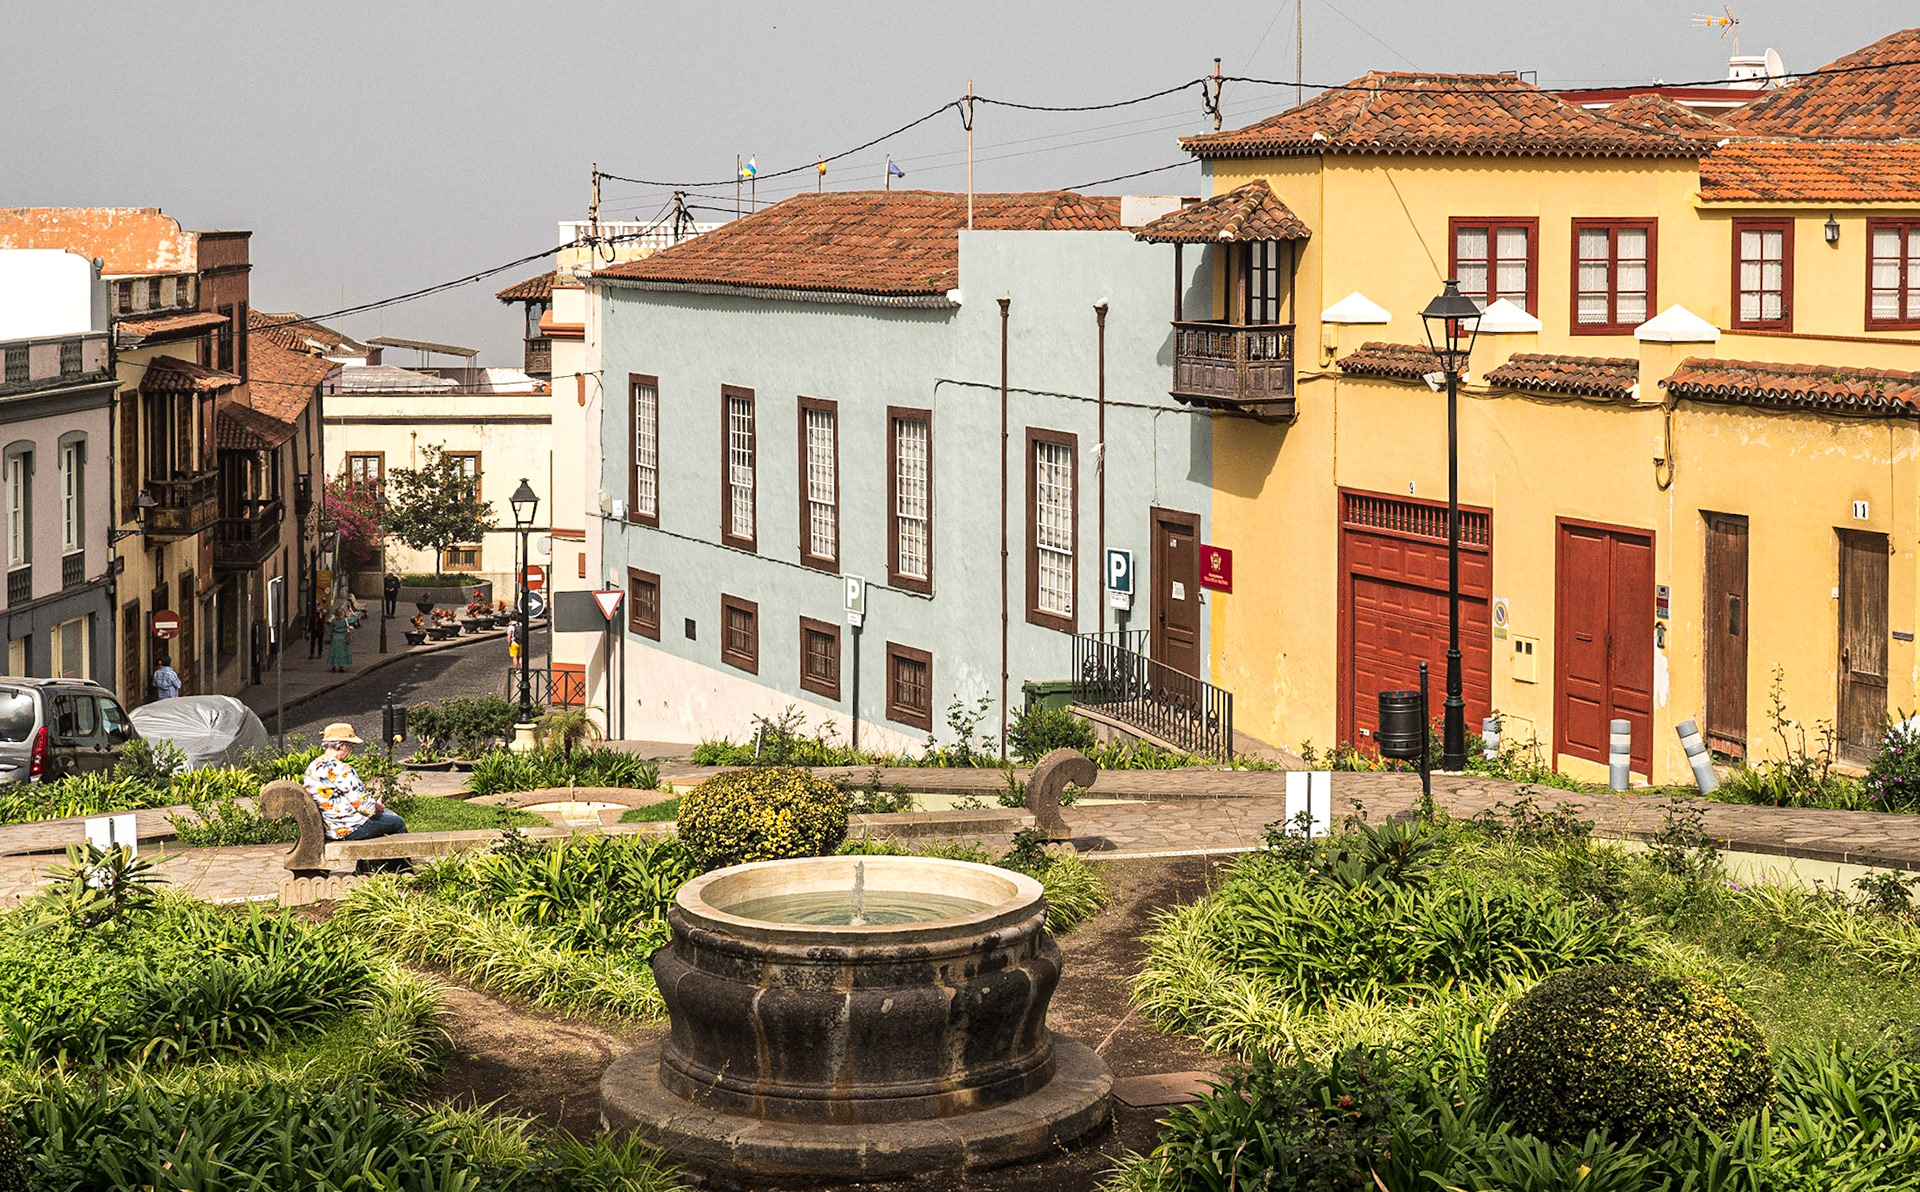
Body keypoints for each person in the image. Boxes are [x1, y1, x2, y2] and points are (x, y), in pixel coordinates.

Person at [303, 723, 406, 841]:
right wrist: (378, 806)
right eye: (350, 747)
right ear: (341, 745)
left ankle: (369, 860)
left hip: (330, 827)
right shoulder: (341, 769)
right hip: (349, 828)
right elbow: (365, 807)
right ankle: (398, 860)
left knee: (387, 819)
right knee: (398, 822)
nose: (350, 751)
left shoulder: (313, 767)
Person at [326, 604, 355, 672]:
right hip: (343, 638)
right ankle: (341, 667)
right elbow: (354, 618)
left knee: (334, 652)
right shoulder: (345, 620)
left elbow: (330, 630)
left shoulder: (333, 621)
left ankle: (333, 666)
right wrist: (351, 611)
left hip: (335, 637)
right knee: (342, 652)